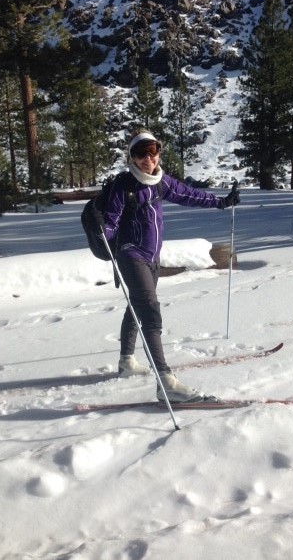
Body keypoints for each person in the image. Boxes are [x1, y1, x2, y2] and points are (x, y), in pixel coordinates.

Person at [103, 127, 240, 402]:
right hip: (131, 256)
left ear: (158, 154)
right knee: (150, 311)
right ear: (131, 157)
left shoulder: (161, 182)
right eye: (141, 153)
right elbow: (109, 223)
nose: (148, 159)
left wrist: (222, 202)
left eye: (152, 152)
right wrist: (103, 229)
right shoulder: (123, 185)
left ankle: (126, 362)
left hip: (153, 257)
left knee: (137, 307)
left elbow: (190, 194)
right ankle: (165, 381)